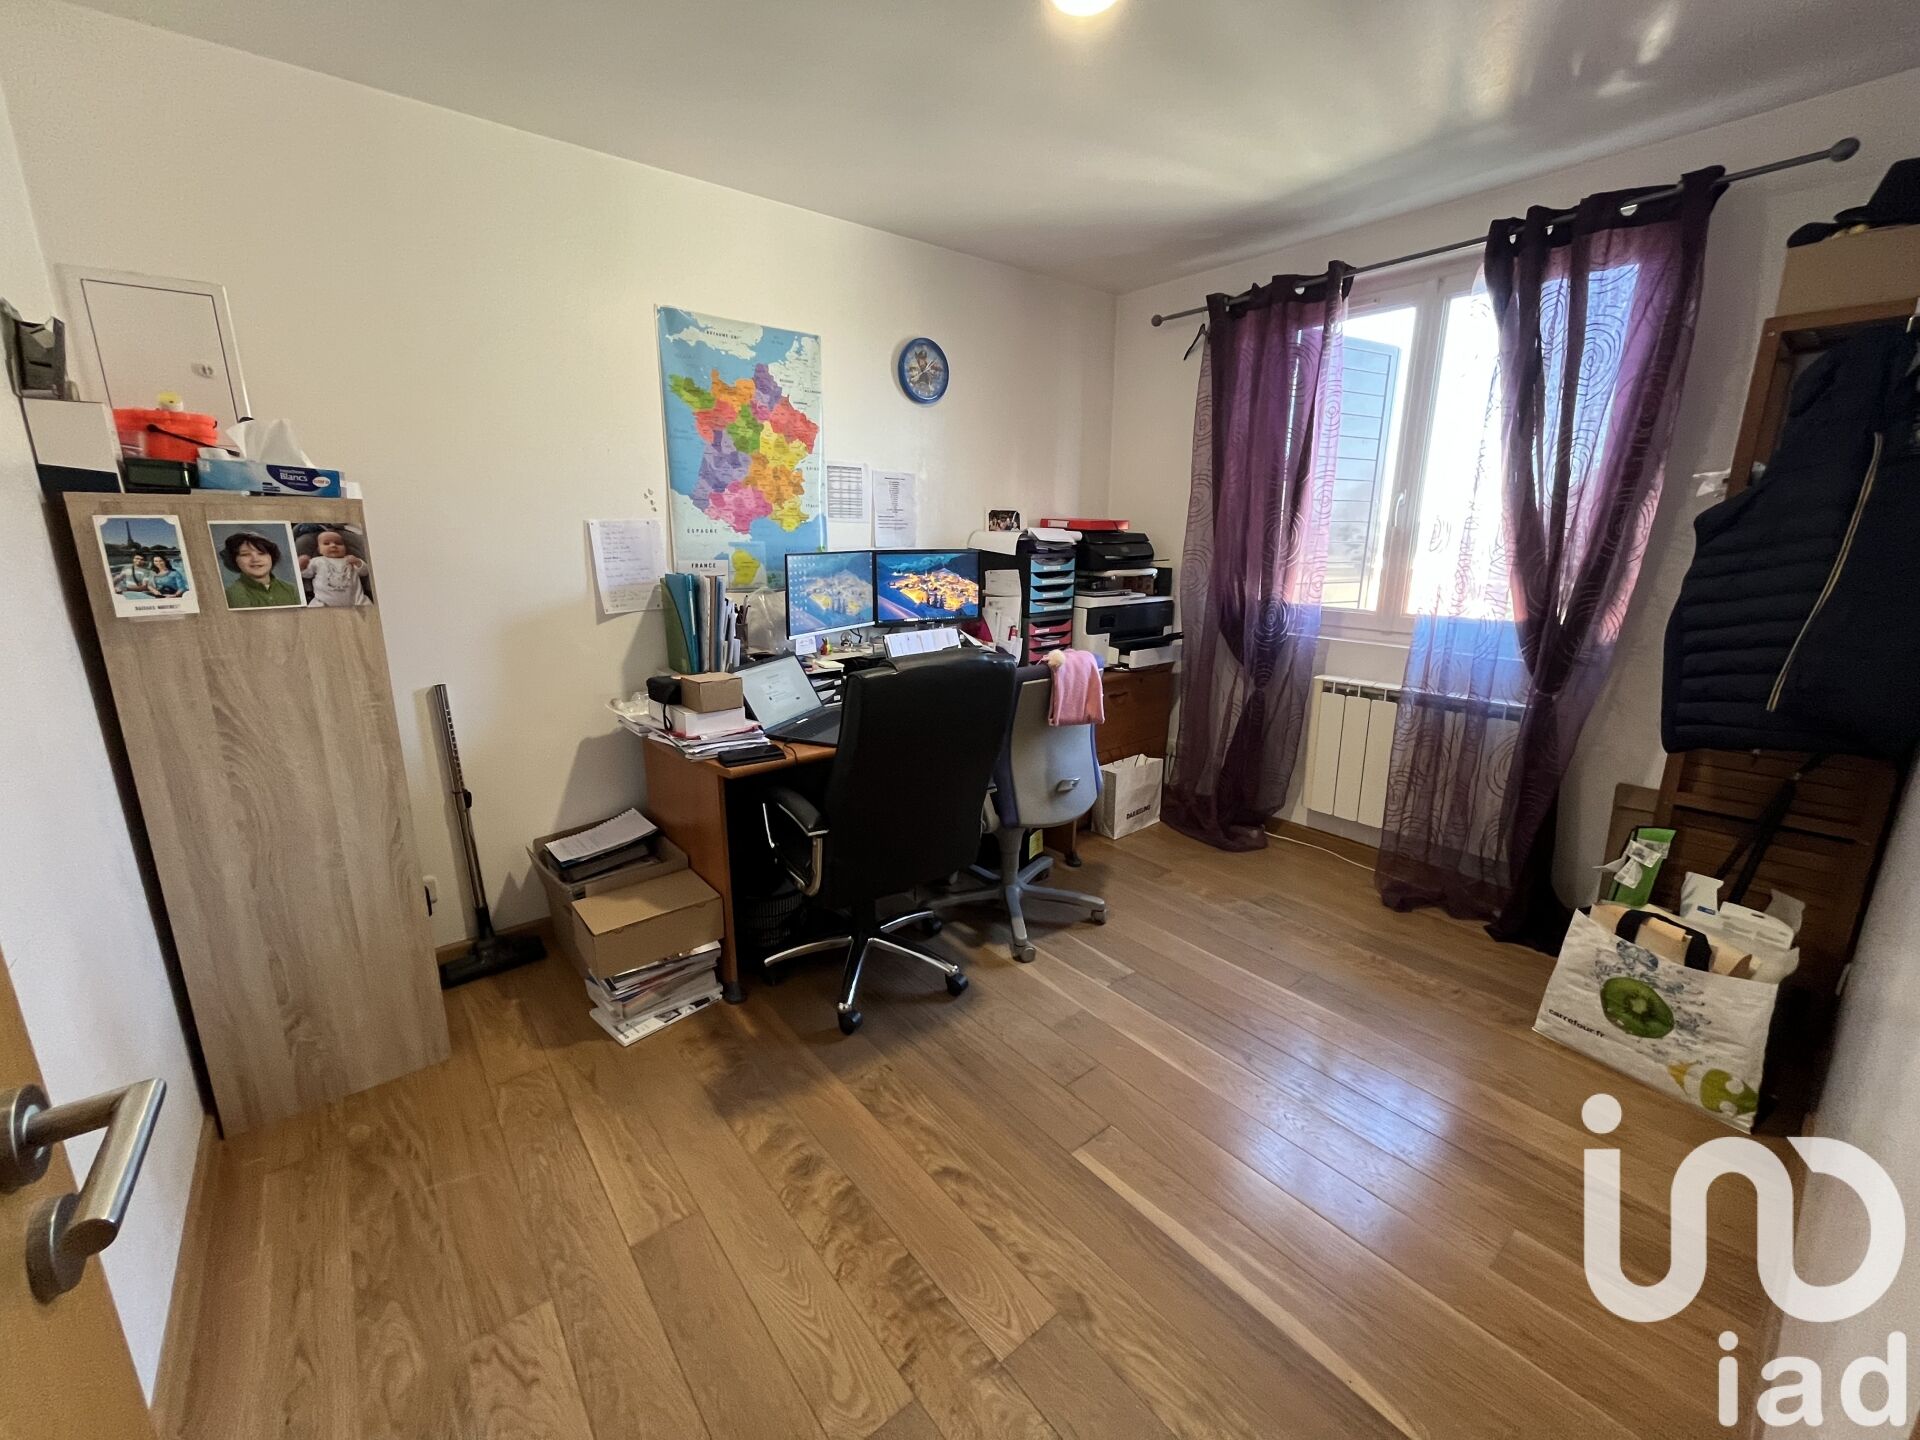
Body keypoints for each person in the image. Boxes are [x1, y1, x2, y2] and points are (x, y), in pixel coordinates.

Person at [220, 530, 300, 609]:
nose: (255, 559)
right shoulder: (231, 595)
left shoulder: (290, 589)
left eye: (262, 553)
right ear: (234, 560)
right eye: (245, 554)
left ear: (271, 557)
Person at [299, 525, 369, 607]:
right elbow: (306, 574)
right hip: (323, 602)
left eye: (338, 543)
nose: (333, 545)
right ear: (319, 550)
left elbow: (365, 572)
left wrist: (357, 562)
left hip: (356, 601)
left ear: (345, 548)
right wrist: (302, 565)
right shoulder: (317, 561)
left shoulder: (350, 560)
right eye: (326, 543)